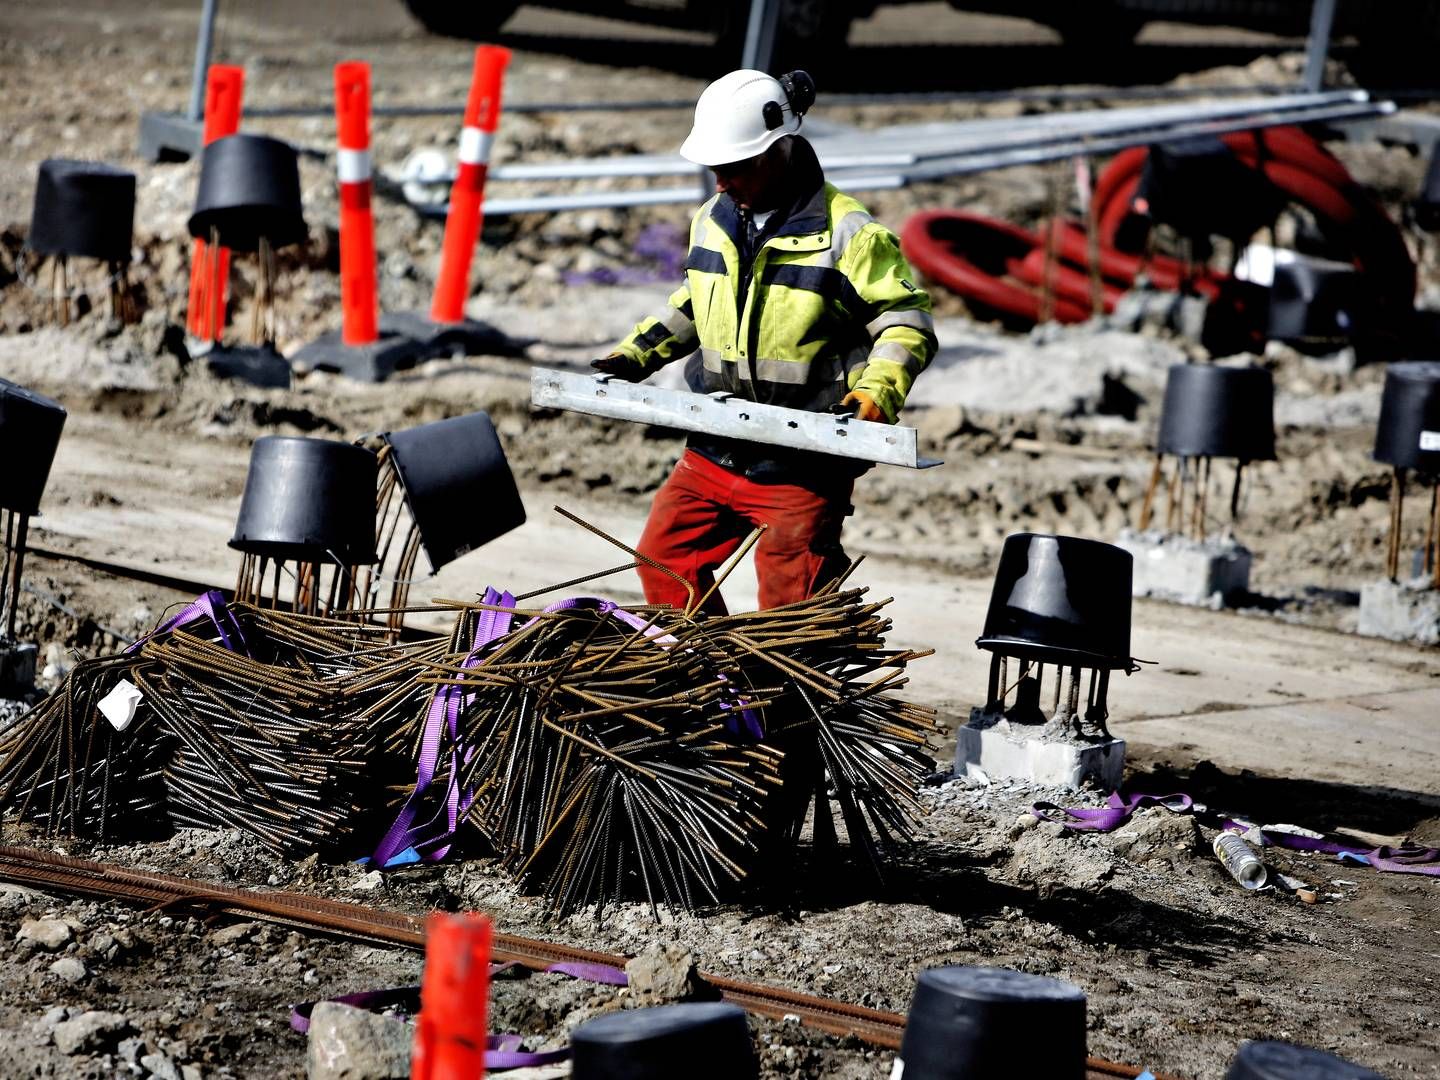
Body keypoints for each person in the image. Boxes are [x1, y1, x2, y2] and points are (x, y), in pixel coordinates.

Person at [594, 69, 937, 615]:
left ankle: (783, 696)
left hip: (802, 462)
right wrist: (635, 354)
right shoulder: (712, 219)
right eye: (715, 169)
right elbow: (695, 302)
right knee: (664, 557)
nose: (721, 182)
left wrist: (878, 392)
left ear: (780, 148)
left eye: (734, 168)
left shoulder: (848, 233)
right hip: (717, 443)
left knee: (790, 606)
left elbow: (905, 322)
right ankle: (710, 680)